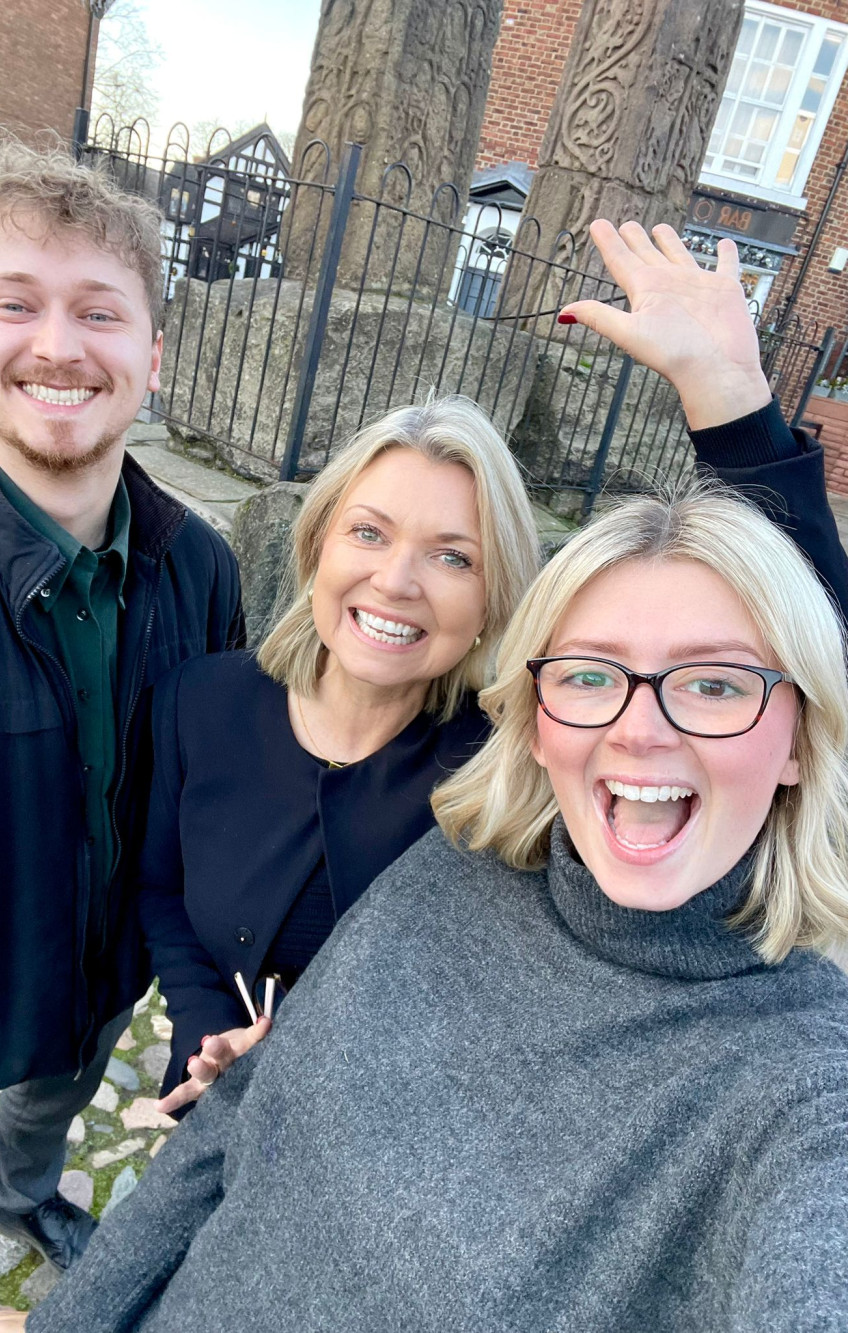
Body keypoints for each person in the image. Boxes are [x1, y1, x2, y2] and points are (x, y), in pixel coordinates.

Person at [0, 484, 848, 1332]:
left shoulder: (800, 1090)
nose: (639, 729)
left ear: (803, 734)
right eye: (592, 674)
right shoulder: (460, 859)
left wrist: (738, 409)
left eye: (717, 684)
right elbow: (235, 1113)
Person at [140, 217, 848, 1118]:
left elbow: (810, 665)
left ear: (494, 601)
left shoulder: (515, 770)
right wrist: (202, 1039)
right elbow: (164, 892)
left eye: (453, 556)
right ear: (316, 546)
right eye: (368, 532)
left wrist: (734, 405)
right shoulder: (199, 703)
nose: (395, 582)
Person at [0, 136, 242, 1333]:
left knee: (44, 1120)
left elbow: (202, 795)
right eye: (15, 303)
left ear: (153, 356)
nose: (60, 345)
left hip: (95, 983)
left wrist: (157, 972)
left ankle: (23, 1199)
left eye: (100, 312)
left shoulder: (203, 567)